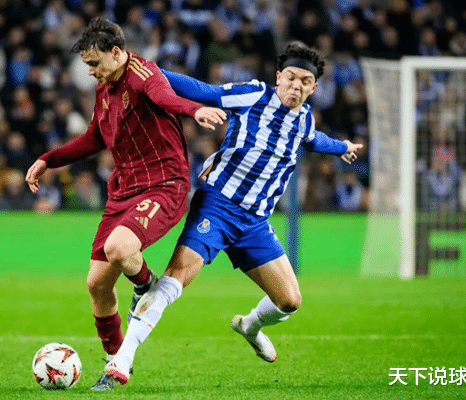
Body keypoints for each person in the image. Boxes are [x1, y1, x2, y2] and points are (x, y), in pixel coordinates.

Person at [102, 42, 364, 387]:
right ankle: (124, 357)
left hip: (255, 223)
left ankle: (249, 326)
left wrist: (343, 147)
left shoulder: (304, 120)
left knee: (289, 301)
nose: (296, 86)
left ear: (314, 88)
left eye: (305, 81)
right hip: (217, 206)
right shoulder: (253, 95)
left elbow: (314, 140)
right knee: (175, 279)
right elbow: (203, 91)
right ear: (278, 77)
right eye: (291, 77)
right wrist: (146, 72)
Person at [23, 17, 226, 390]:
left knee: (119, 249)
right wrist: (48, 159)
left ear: (116, 53)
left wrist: (194, 110)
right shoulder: (105, 88)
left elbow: (165, 98)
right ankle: (116, 361)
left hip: (164, 185)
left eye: (94, 63)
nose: (91, 71)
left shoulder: (142, 73)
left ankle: (147, 286)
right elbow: (93, 138)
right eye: (87, 65)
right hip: (124, 190)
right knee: (96, 285)